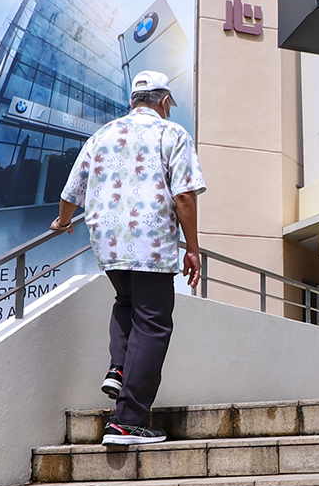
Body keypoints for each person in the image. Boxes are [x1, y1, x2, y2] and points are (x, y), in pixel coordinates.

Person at [50, 70, 206, 446]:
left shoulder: (102, 134)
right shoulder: (173, 134)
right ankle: (128, 422)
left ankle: (118, 369)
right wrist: (194, 248)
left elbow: (72, 191)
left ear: (134, 100)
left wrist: (63, 222)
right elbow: (184, 196)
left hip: (109, 243)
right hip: (149, 243)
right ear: (165, 101)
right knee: (154, 323)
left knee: (127, 303)